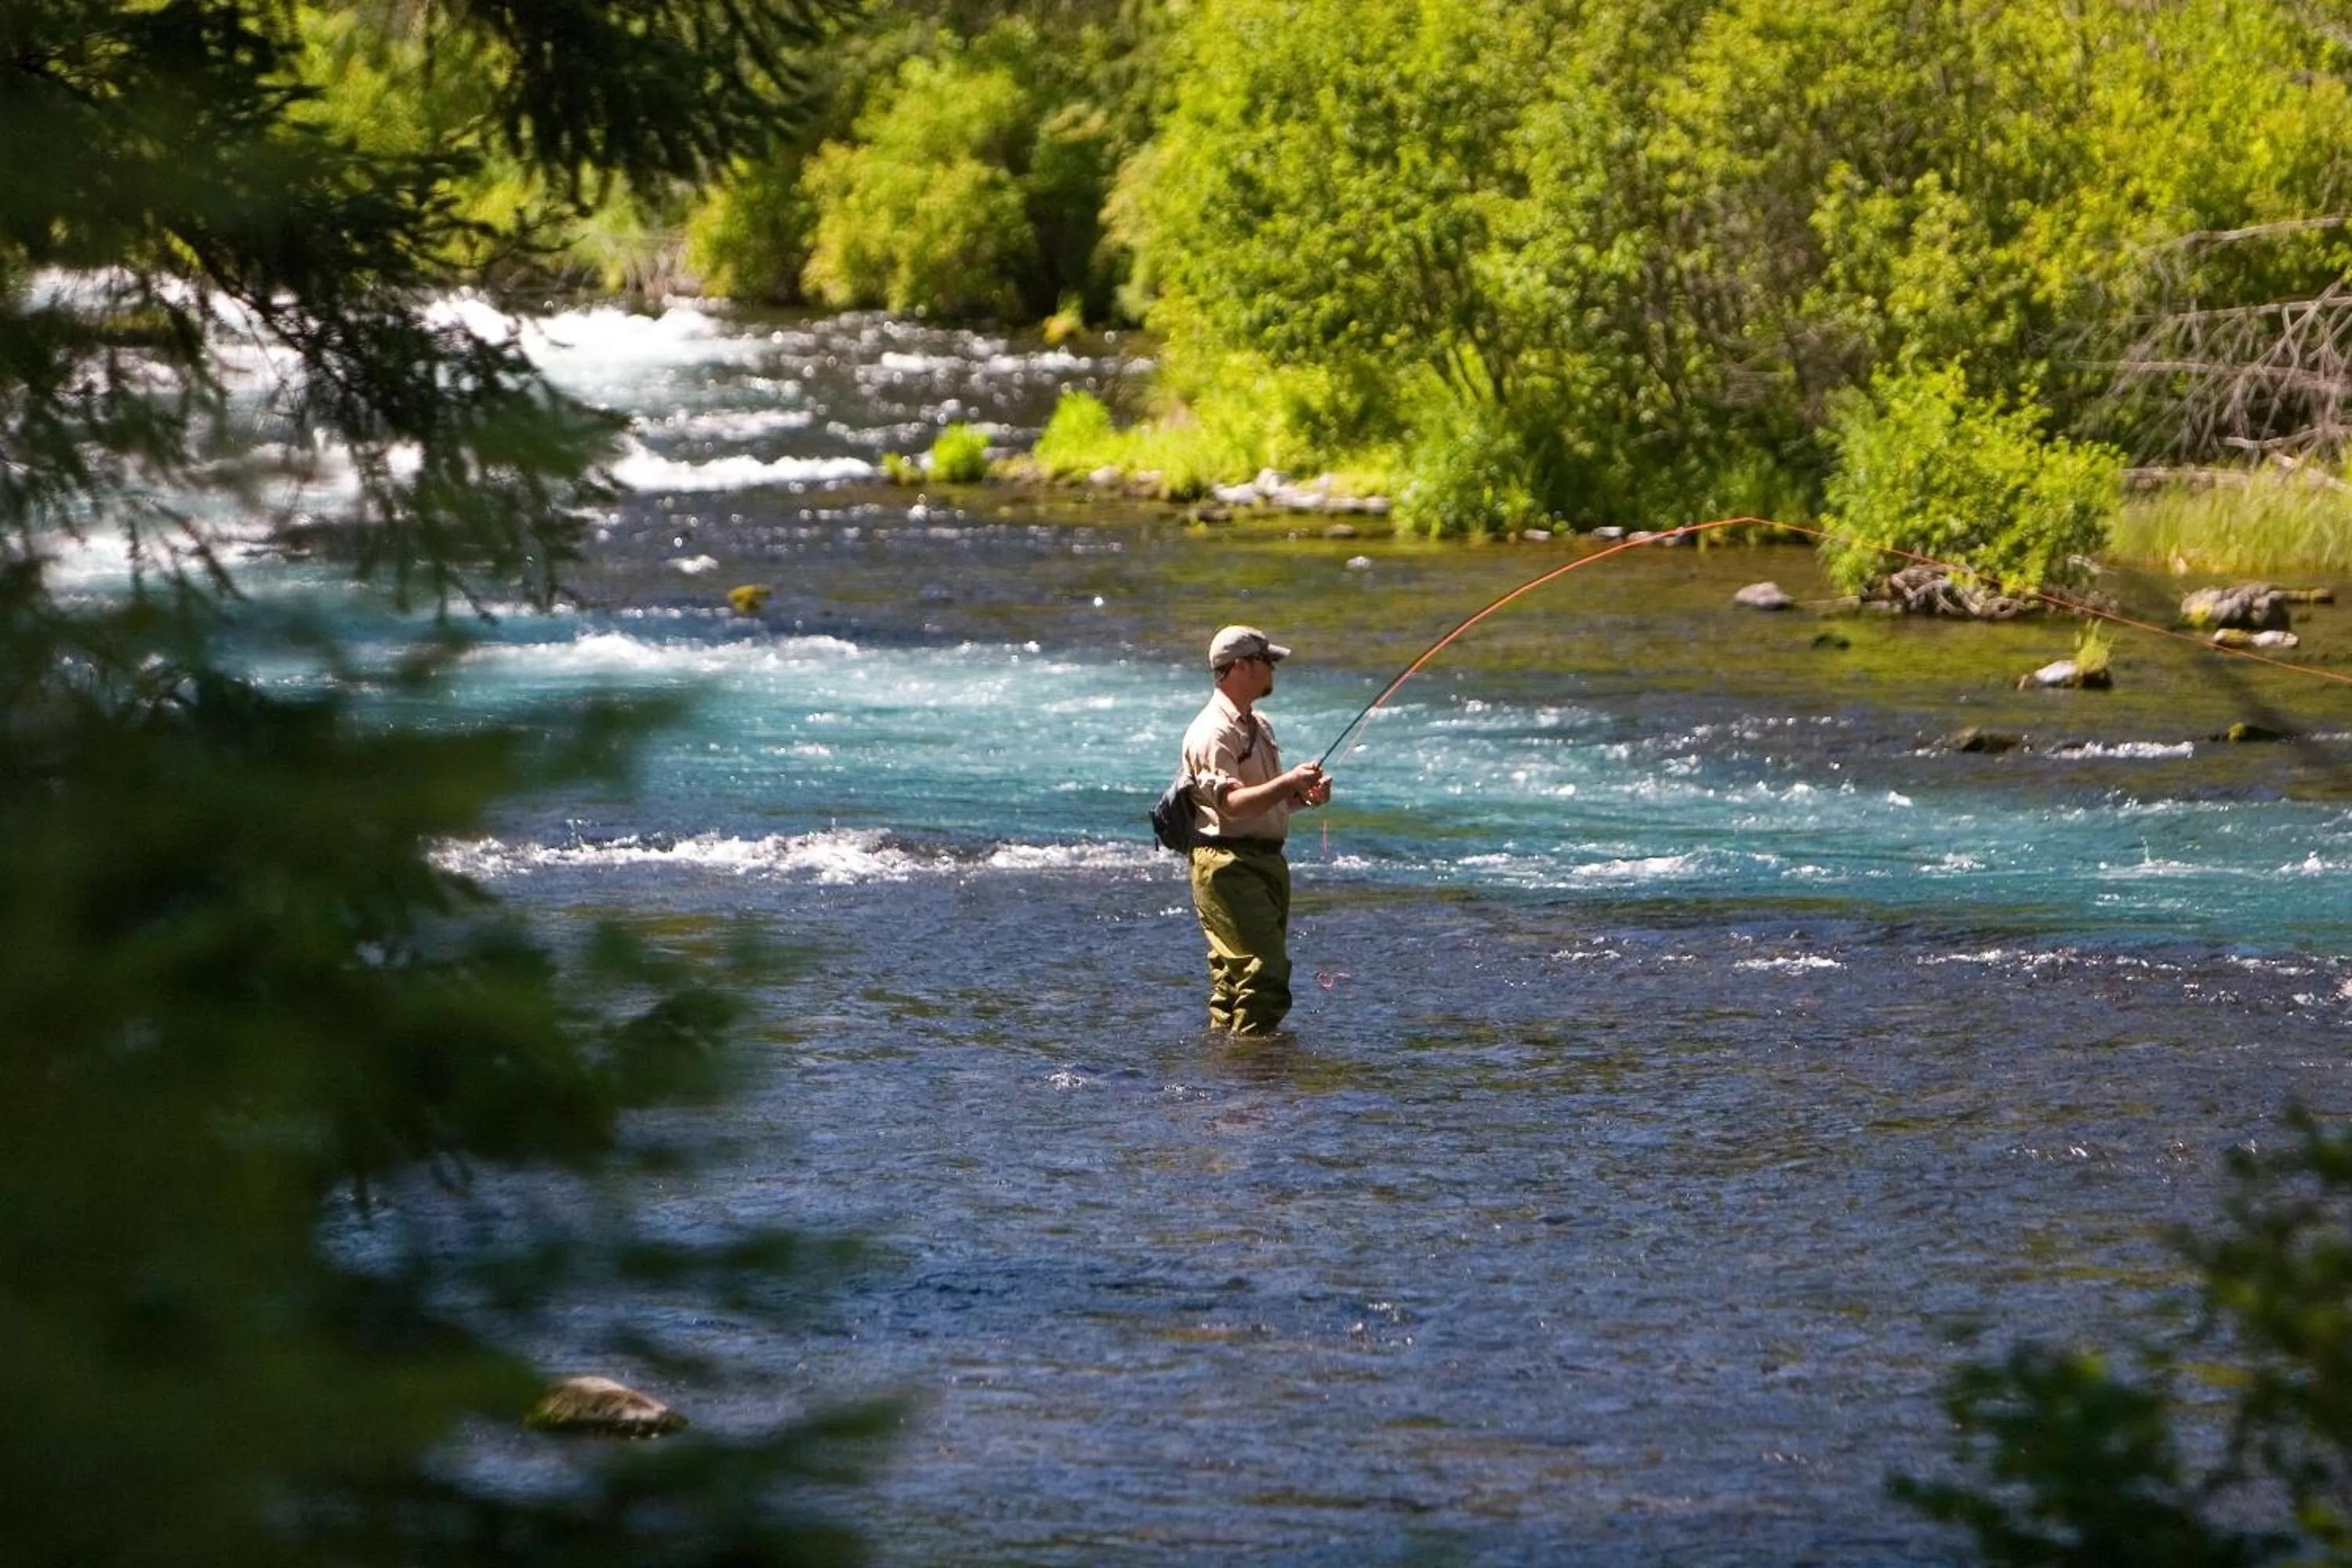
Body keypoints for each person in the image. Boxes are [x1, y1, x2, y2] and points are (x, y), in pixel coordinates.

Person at [1179, 625, 1333, 1034]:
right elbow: (1229, 806)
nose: (1273, 672)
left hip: (1263, 862)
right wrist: (1288, 783)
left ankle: (1230, 1075)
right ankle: (1256, 1078)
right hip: (1228, 865)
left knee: (1234, 983)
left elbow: (1265, 801)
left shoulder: (1259, 724)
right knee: (1263, 976)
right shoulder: (1212, 732)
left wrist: (1303, 797)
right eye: (1268, 663)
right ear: (1241, 666)